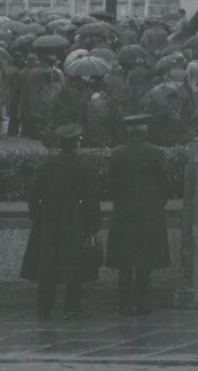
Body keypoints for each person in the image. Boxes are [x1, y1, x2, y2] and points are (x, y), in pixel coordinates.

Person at [20, 124, 104, 321]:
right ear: (77, 143)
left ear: (60, 144)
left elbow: (34, 197)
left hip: (47, 222)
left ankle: (44, 309)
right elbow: (92, 201)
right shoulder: (87, 167)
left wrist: (36, 215)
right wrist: (93, 227)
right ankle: (72, 309)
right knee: (75, 267)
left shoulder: (45, 166)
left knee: (47, 267)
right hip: (75, 222)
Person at [105, 113, 171, 315]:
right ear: (146, 131)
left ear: (128, 132)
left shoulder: (117, 154)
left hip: (123, 214)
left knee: (124, 261)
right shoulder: (156, 153)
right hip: (149, 215)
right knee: (145, 260)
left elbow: (110, 186)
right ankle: (141, 302)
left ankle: (124, 303)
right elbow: (166, 185)